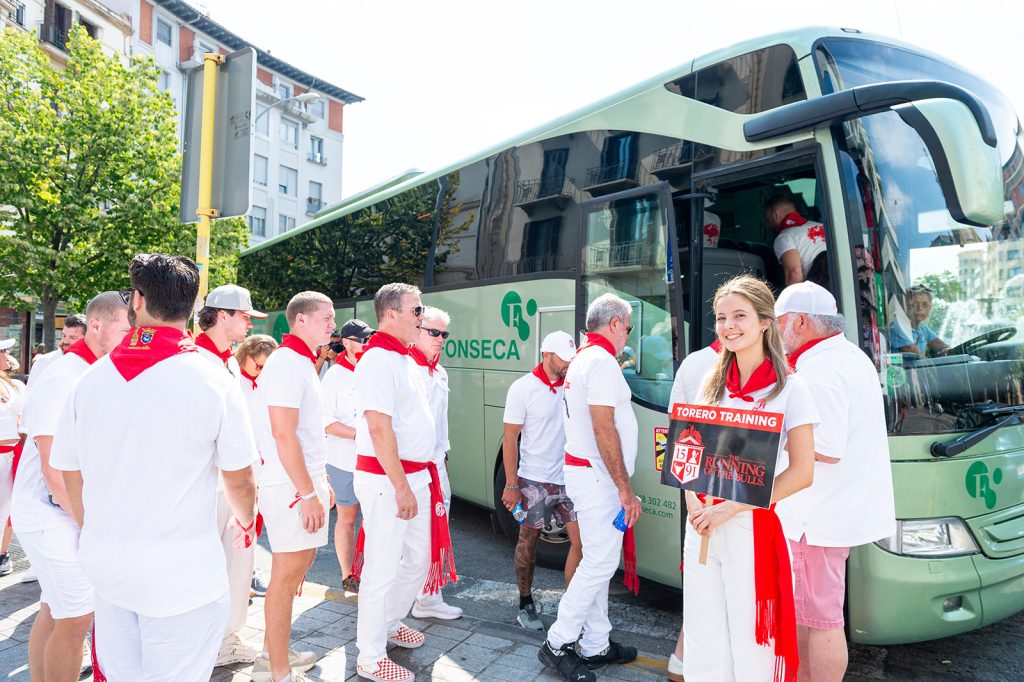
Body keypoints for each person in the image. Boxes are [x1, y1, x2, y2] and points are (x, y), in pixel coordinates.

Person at [50, 255, 259, 681]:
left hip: (109, 568)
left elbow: (70, 474)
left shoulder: (88, 381)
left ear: (138, 300)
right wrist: (247, 519)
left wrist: (98, 530)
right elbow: (240, 477)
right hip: (181, 576)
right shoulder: (213, 378)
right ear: (192, 304)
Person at [682, 274, 817, 682]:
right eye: (722, 318)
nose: (729, 326)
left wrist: (730, 508)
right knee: (704, 640)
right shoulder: (711, 383)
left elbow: (802, 473)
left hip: (752, 527)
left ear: (764, 322)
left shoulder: (791, 390)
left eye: (739, 316)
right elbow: (688, 455)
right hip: (702, 526)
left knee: (752, 645)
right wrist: (696, 506)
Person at [775, 281, 896, 682]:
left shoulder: (819, 370)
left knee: (820, 622)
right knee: (813, 618)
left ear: (802, 323)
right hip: (829, 513)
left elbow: (823, 447)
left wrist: (762, 435)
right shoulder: (849, 356)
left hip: (815, 518)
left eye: (779, 324)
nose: (775, 333)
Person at [10, 292, 128, 681]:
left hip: (62, 512)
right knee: (77, 619)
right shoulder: (62, 376)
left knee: (55, 608)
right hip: (50, 514)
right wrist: (92, 525)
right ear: (96, 326)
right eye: (124, 329)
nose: (130, 336)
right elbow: (52, 470)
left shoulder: (92, 372)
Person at [352, 283, 455, 682]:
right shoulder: (378, 359)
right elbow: (379, 428)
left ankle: (391, 621)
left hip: (416, 474)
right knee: (381, 567)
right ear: (390, 314)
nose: (421, 316)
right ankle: (370, 655)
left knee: (416, 558)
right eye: (416, 310)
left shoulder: (403, 360)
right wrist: (400, 487)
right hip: (388, 480)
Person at [539, 293, 642, 682]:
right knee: (600, 562)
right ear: (615, 324)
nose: (627, 336)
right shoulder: (600, 362)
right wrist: (624, 488)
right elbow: (603, 427)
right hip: (598, 478)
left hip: (589, 474)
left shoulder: (585, 358)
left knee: (597, 560)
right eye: (628, 328)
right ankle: (558, 642)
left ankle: (596, 644)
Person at [253, 291, 336, 682]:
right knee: (285, 577)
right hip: (288, 487)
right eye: (326, 318)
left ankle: (276, 652)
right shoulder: (287, 363)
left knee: (296, 568)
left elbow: (307, 433)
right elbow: (284, 435)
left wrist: (322, 483)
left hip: (303, 482)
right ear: (299, 320)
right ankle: (277, 671)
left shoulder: (301, 361)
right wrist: (307, 493)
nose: (332, 325)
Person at [194, 283, 270, 668]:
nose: (248, 323)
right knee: (225, 564)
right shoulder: (200, 360)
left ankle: (225, 635)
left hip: (227, 482)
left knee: (234, 565)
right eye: (243, 315)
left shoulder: (221, 359)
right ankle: (220, 640)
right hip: (216, 485)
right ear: (222, 315)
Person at [501, 330, 580, 632]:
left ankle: (573, 608)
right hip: (534, 482)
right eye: (563, 359)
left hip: (570, 479)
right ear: (546, 355)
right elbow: (510, 439)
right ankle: (525, 602)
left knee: (581, 544)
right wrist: (511, 484)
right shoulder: (523, 388)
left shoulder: (573, 385)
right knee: (528, 544)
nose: (568, 365)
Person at [664, 337, 722, 681]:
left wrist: (689, 493)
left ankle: (683, 659)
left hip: (702, 493)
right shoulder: (777, 368)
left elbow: (678, 432)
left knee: (705, 581)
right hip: (731, 498)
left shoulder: (693, 362)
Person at [408, 306, 464, 620]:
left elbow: (439, 425)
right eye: (434, 332)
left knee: (437, 529)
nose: (440, 339)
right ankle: (397, 608)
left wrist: (443, 456)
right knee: (411, 540)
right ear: (416, 329)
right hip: (411, 468)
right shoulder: (405, 369)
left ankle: (429, 596)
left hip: (436, 465)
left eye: (444, 334)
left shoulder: (439, 372)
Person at [322, 318, 374, 594]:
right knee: (347, 519)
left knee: (376, 520)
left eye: (368, 338)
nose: (366, 344)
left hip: (374, 462)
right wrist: (360, 434)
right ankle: (348, 575)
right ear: (346, 343)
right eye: (360, 339)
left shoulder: (374, 371)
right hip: (343, 461)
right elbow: (325, 422)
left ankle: (373, 572)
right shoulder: (333, 377)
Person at [234, 334, 278, 599]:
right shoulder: (232, 380)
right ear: (245, 356)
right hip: (240, 464)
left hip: (265, 464)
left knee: (255, 523)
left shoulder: (269, 383)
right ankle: (240, 576)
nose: (261, 372)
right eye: (258, 366)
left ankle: (248, 573)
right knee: (239, 520)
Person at [0, 338, 27, 578]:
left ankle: (3, 553)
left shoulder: (17, 386)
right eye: (3, 350)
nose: (7, 354)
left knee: (9, 506)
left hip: (12, 454)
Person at [765, 196, 829, 288]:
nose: (767, 225)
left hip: (821, 290)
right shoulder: (823, 226)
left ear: (776, 215)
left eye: (768, 219)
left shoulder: (784, 237)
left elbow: (794, 273)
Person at [889, 285, 949, 358]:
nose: (920, 308)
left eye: (925, 304)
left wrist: (948, 350)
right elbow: (918, 355)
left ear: (929, 308)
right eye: (914, 304)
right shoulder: (897, 325)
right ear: (905, 306)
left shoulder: (922, 327)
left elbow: (939, 344)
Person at [30, 314, 87, 381]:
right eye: (64, 336)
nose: (65, 341)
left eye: (73, 337)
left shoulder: (91, 364)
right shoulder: (43, 363)